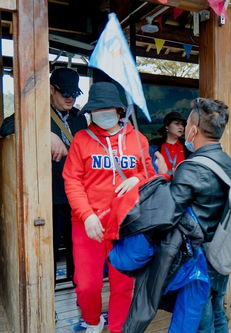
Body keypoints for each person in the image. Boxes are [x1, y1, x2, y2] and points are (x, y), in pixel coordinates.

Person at [63, 82, 155, 333]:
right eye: (96, 110)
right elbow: (71, 180)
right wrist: (87, 215)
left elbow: (150, 175)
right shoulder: (82, 139)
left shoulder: (138, 139)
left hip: (125, 224)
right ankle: (92, 320)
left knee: (123, 283)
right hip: (87, 223)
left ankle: (117, 328)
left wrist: (138, 178)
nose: (101, 114)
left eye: (107, 109)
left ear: (119, 110)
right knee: (86, 285)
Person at [159, 98, 231, 333]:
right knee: (217, 310)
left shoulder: (190, 167)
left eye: (188, 123)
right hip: (221, 250)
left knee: (201, 320)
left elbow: (169, 213)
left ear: (193, 130)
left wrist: (163, 176)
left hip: (198, 256)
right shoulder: (227, 161)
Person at [49, 68, 88, 284]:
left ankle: (78, 287)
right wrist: (45, 133)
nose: (71, 98)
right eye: (65, 93)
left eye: (74, 93)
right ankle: (49, 293)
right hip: (51, 194)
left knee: (78, 245)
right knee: (51, 246)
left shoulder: (80, 118)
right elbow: (6, 127)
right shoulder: (36, 113)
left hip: (77, 194)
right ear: (51, 90)